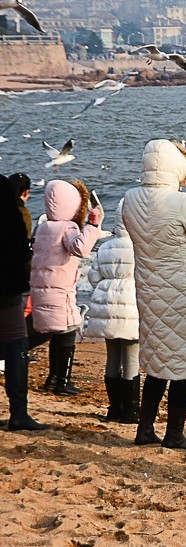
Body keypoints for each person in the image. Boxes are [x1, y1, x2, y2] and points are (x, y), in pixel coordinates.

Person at [122, 139, 186, 451]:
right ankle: (174, 434)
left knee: (157, 361)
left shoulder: (129, 199)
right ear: (175, 166)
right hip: (182, 294)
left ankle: (145, 428)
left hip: (149, 291)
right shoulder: (182, 202)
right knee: (183, 365)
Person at [29, 179, 103, 396]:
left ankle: (53, 378)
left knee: (57, 333)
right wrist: (92, 226)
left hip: (42, 287)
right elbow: (80, 248)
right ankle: (63, 381)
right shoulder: (68, 227)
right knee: (69, 330)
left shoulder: (42, 226)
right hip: (60, 289)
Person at [82, 198, 141, 424]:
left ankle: (114, 407)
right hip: (130, 308)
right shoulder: (140, 246)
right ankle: (132, 409)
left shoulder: (106, 246)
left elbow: (93, 276)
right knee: (132, 357)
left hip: (107, 307)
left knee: (112, 357)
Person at [1, 173, 48, 431]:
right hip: (6, 291)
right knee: (17, 344)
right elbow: (20, 255)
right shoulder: (14, 216)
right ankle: (18, 413)